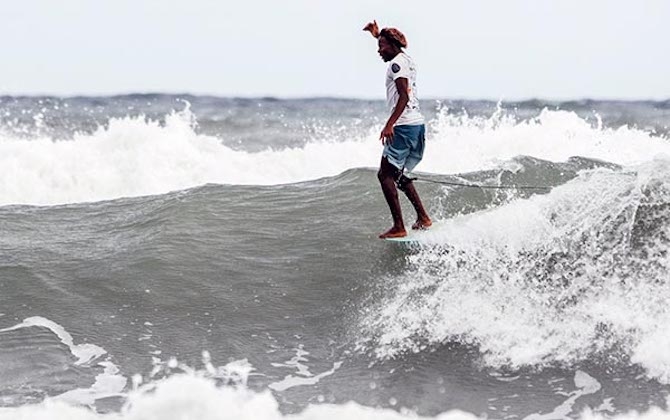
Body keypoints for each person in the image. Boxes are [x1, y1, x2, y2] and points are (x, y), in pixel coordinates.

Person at [363, 20, 432, 239]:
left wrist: (389, 124)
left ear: (392, 46)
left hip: (403, 126)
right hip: (416, 125)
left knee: (384, 175)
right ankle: (423, 217)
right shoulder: (405, 59)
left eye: (381, 46)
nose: (378, 50)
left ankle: (399, 226)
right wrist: (377, 34)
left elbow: (404, 95)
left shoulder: (395, 65)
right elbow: (391, 45)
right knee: (398, 175)